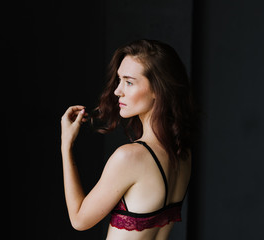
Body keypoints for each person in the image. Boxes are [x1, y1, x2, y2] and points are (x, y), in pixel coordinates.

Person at [61, 39, 193, 239]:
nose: (117, 91)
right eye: (119, 80)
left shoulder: (130, 157)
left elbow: (79, 220)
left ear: (158, 89)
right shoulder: (183, 154)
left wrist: (66, 146)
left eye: (129, 82)